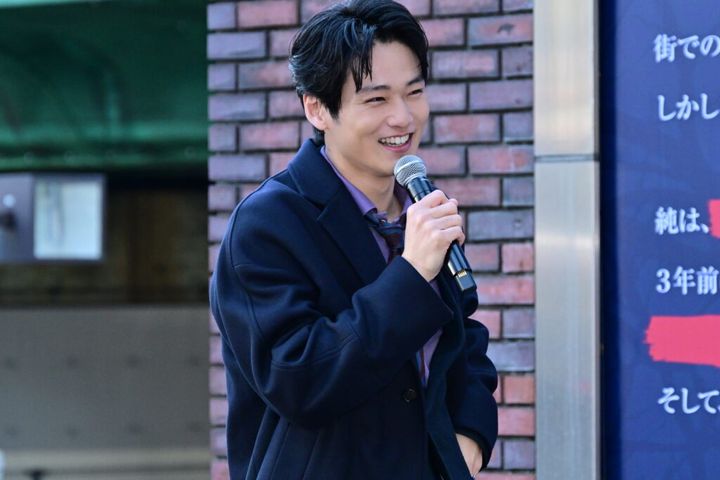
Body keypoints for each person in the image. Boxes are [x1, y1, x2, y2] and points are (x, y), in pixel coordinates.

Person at [209, 0, 498, 478]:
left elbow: (463, 337)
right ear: (317, 108)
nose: (403, 117)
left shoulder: (418, 208)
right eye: (376, 100)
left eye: (414, 92)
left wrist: (471, 432)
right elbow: (300, 380)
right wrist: (410, 274)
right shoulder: (266, 225)